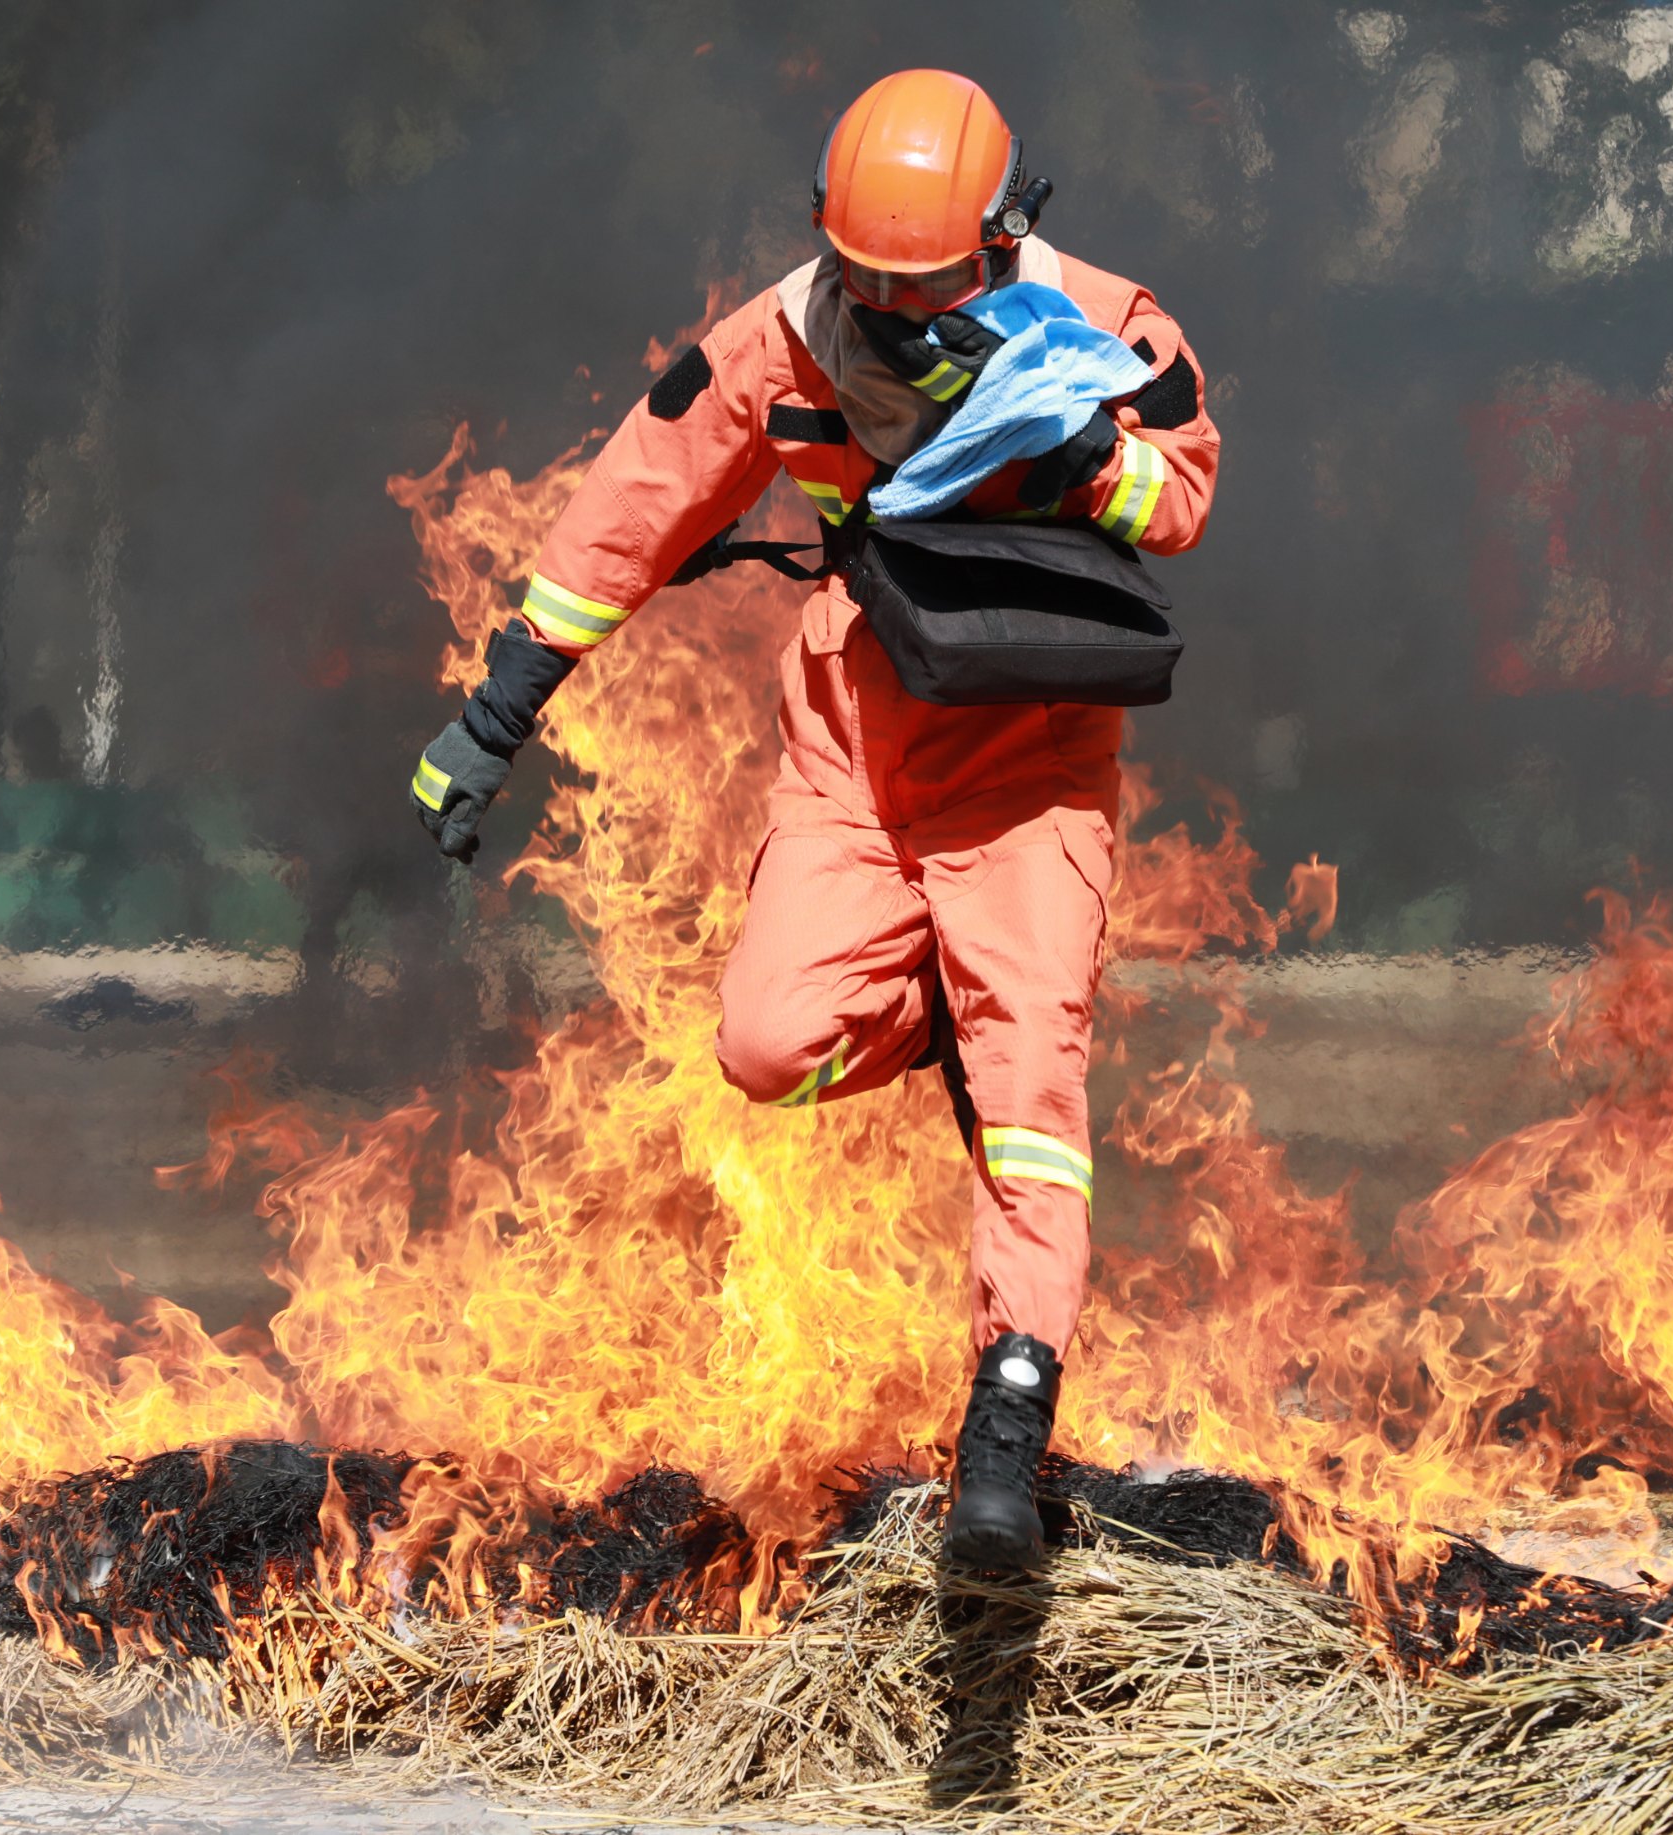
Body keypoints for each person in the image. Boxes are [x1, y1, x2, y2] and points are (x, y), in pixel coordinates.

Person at [405, 70, 1219, 1569]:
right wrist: (499, 708)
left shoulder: (1105, 321)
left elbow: (1180, 500)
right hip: (855, 735)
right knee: (768, 1042)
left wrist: (1070, 449)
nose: (902, 318)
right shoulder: (777, 339)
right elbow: (635, 505)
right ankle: (949, 1021)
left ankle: (1007, 1419)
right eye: (876, 286)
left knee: (1031, 1094)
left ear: (1002, 230)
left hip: (1029, 750)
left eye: (932, 287)